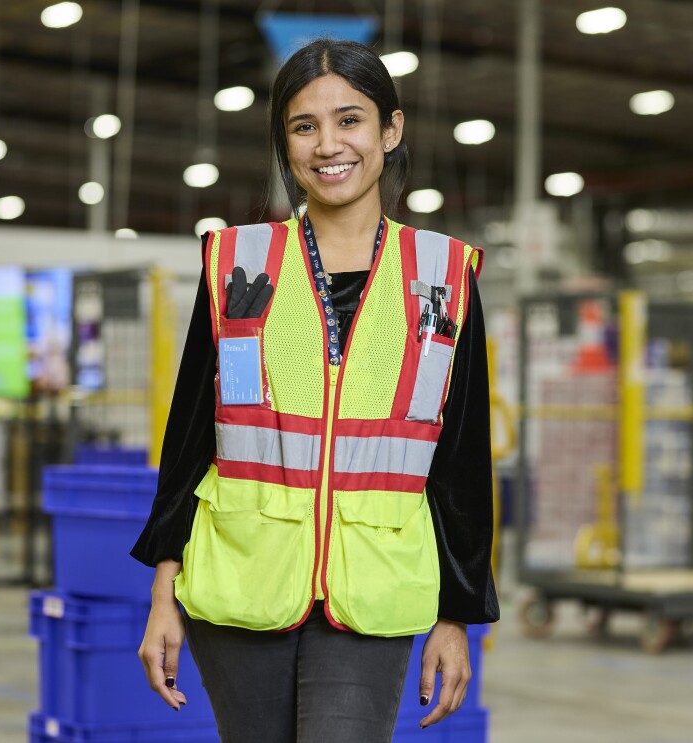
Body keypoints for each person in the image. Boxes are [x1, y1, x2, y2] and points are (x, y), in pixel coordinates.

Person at [132, 38, 499, 743]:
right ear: (284, 141)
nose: (328, 144)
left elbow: (461, 458)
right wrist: (162, 591)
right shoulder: (238, 262)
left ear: (390, 131)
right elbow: (188, 439)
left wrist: (458, 614)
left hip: (373, 588)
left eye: (349, 120)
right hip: (240, 582)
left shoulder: (441, 275)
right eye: (304, 126)